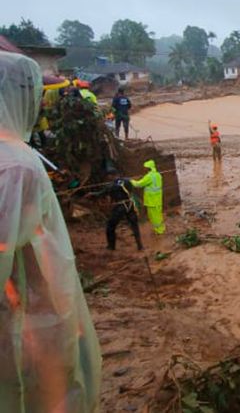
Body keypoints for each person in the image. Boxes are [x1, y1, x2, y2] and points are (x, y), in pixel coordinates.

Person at [0, 52, 101, 412]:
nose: (41, 102)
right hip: (32, 314)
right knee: (46, 392)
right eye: (35, 93)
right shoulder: (17, 167)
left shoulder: (17, 158)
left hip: (28, 310)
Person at [93, 169, 144, 251]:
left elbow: (101, 194)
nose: (108, 178)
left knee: (110, 226)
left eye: (108, 176)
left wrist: (91, 194)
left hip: (120, 206)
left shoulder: (111, 185)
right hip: (130, 204)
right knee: (134, 226)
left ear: (111, 175)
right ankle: (140, 246)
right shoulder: (128, 181)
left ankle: (111, 246)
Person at [131, 158, 165, 235]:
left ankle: (159, 231)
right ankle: (161, 229)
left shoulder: (149, 176)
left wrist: (130, 181)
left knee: (154, 217)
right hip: (158, 199)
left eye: (145, 168)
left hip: (151, 200)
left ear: (148, 168)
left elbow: (138, 184)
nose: (144, 169)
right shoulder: (157, 175)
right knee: (158, 215)